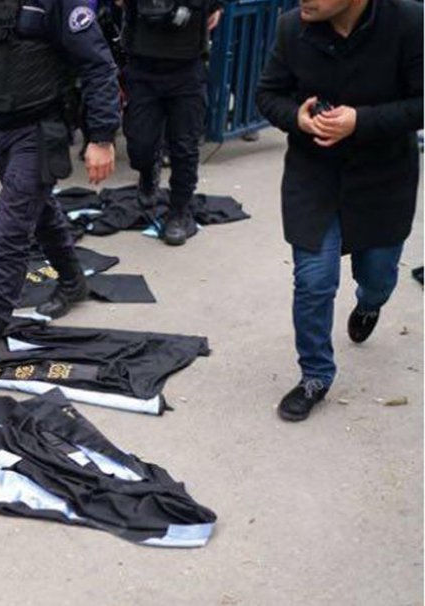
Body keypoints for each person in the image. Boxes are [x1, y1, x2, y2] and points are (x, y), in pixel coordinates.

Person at [0, 0, 120, 379]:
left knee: (10, 232)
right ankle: (72, 279)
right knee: (38, 208)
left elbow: (98, 64)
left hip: (37, 129)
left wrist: (102, 135)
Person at [256, 0, 423, 422]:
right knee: (313, 280)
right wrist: (297, 117)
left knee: (378, 275)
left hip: (383, 177)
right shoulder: (291, 28)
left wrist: (360, 122)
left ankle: (370, 304)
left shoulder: (409, 21)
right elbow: (267, 94)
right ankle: (315, 374)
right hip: (314, 174)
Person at [119, 0, 221, 246]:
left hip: (187, 68)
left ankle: (179, 212)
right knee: (140, 144)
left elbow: (216, 10)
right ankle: (147, 172)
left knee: (185, 148)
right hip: (143, 67)